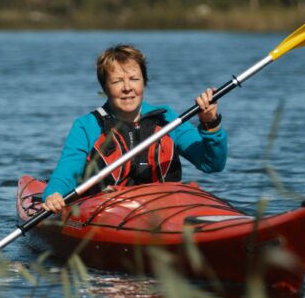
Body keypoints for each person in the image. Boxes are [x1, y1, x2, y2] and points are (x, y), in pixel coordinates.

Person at [42, 44, 227, 212]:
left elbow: (212, 164)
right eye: (117, 81)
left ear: (144, 82)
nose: (127, 88)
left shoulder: (167, 119)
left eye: (134, 79)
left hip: (164, 209)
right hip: (107, 211)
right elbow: (66, 174)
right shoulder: (87, 126)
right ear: (105, 88)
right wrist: (54, 194)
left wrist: (210, 123)